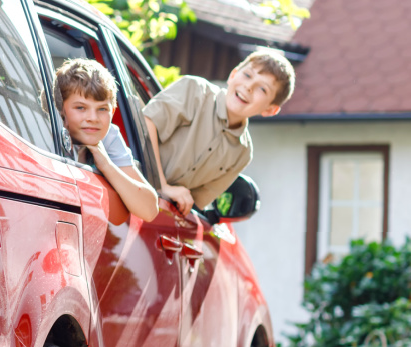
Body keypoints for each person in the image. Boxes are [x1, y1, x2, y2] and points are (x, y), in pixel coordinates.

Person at [144, 49, 295, 215]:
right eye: (247, 75)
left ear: (270, 110)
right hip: (130, 180)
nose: (249, 87)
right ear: (233, 75)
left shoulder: (242, 154)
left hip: (156, 211)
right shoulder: (194, 91)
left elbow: (196, 202)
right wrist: (162, 186)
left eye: (263, 89)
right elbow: (146, 122)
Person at [54, 59, 159, 222]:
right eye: (80, 108)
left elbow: (150, 210)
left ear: (113, 111)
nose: (93, 118)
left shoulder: (107, 136)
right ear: (60, 109)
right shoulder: (49, 131)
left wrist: (107, 165)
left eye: (102, 109)